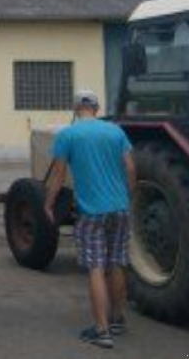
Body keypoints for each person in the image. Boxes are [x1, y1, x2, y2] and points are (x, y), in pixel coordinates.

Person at [44, 90, 136, 350]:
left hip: (91, 212)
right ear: (96, 108)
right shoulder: (115, 132)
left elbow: (59, 176)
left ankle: (102, 330)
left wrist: (49, 204)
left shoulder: (68, 135)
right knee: (117, 263)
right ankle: (117, 320)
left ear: (76, 109)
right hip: (119, 208)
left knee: (96, 267)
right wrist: (127, 197)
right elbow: (130, 167)